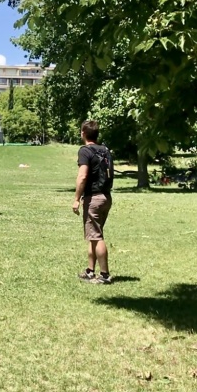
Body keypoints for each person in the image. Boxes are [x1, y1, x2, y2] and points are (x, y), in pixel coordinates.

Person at [73, 119, 115, 284]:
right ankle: (90, 271)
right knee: (93, 234)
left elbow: (83, 176)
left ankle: (104, 275)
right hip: (106, 197)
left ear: (83, 133)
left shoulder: (85, 151)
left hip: (94, 198)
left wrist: (76, 199)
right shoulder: (105, 150)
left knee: (96, 236)